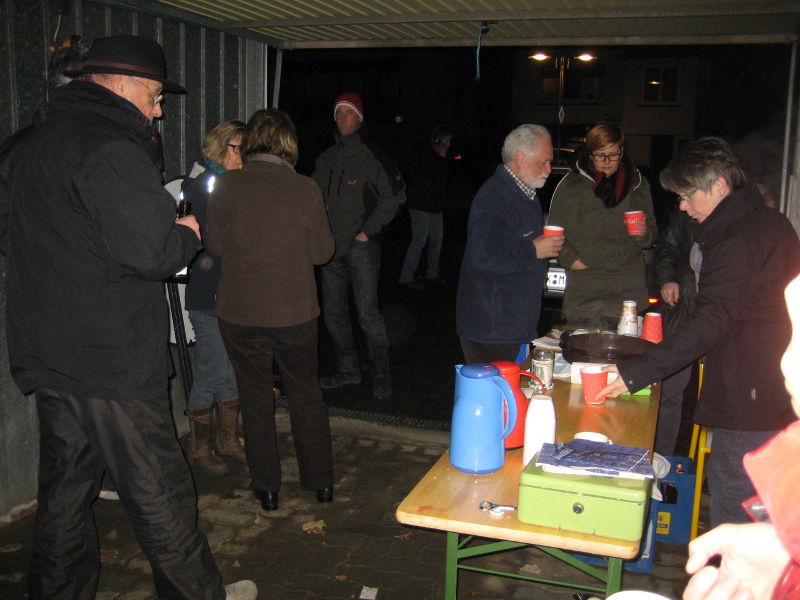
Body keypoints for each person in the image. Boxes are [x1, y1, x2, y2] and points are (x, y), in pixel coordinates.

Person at [0, 35, 256, 599]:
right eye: (155, 95)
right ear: (120, 83)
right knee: (160, 492)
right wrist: (187, 232)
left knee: (66, 496)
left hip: (49, 351)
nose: (159, 110)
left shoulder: (30, 142)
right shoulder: (113, 147)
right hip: (109, 359)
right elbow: (152, 253)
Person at [601, 137, 800, 528]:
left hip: (749, 394)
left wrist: (638, 371)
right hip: (770, 387)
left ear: (720, 186)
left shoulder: (738, 238)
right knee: (759, 506)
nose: (682, 206)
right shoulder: (767, 222)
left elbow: (711, 318)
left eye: (687, 195)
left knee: (736, 507)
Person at [207, 108, 336, 513]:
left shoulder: (226, 185)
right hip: (293, 312)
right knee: (305, 395)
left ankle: (267, 489)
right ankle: (320, 482)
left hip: (240, 312)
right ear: (288, 143)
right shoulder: (305, 189)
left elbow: (215, 246)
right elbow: (323, 252)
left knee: (255, 397)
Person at [683, 272, 800, 600]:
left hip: (745, 409)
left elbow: (712, 315)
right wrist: (785, 559)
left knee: (731, 486)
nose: (786, 362)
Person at [313, 92, 405, 400]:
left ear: (360, 118)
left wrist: (367, 232)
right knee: (333, 314)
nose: (343, 118)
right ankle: (348, 369)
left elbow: (395, 196)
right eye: (338, 113)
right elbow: (312, 197)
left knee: (367, 314)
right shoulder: (327, 158)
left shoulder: (372, 156)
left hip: (361, 247)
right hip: (330, 248)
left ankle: (381, 373)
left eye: (349, 112)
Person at [455, 124, 564, 365]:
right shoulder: (495, 197)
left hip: (512, 325)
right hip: (492, 329)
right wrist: (533, 250)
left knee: (513, 387)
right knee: (497, 389)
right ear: (521, 158)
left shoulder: (525, 194)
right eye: (544, 162)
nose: (549, 169)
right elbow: (483, 256)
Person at [183, 120, 247, 475]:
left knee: (231, 368)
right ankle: (199, 447)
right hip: (208, 292)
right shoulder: (202, 184)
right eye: (239, 148)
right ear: (221, 147)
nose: (244, 156)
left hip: (232, 293)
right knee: (212, 368)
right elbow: (201, 237)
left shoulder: (232, 184)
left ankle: (228, 439)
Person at [548, 121, 657, 329]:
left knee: (625, 348)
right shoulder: (570, 186)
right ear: (590, 154)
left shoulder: (637, 184)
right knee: (583, 347)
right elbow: (553, 234)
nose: (607, 161)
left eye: (613, 154)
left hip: (627, 292)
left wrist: (643, 234)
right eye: (600, 155)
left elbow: (650, 236)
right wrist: (571, 260)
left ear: (622, 151)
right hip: (585, 292)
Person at [651, 208, 699, 456]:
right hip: (681, 311)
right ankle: (662, 459)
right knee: (669, 390)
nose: (683, 204)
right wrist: (667, 279)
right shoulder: (686, 214)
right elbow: (666, 248)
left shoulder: (734, 219)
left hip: (719, 315)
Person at [398, 124, 452, 289]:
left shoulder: (439, 157)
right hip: (421, 204)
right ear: (438, 140)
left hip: (435, 205)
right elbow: (428, 178)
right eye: (447, 141)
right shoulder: (424, 155)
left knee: (436, 240)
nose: (449, 144)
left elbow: (442, 181)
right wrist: (441, 158)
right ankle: (406, 277)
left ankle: (432, 273)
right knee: (419, 240)